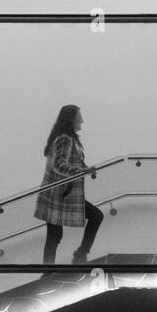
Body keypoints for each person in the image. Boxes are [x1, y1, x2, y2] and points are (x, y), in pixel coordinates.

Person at [34, 105, 104, 264]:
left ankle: (49, 269)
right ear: (70, 119)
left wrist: (83, 169)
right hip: (60, 194)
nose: (82, 120)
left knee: (54, 235)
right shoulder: (65, 138)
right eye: (79, 117)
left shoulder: (65, 137)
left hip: (58, 193)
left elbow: (62, 162)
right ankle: (79, 254)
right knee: (95, 216)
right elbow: (58, 165)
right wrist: (83, 170)